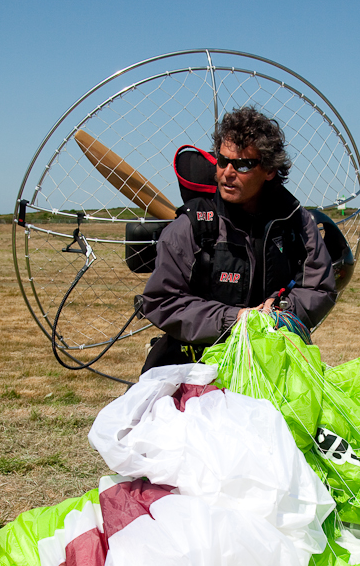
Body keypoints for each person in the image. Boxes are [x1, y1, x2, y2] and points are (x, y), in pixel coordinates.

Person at [141, 106, 336, 372]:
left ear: (269, 170)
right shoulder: (192, 226)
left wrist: (283, 312)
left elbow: (319, 288)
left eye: (243, 164)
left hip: (270, 367)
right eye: (222, 161)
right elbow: (162, 300)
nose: (227, 173)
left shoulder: (295, 222)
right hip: (195, 368)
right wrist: (234, 319)